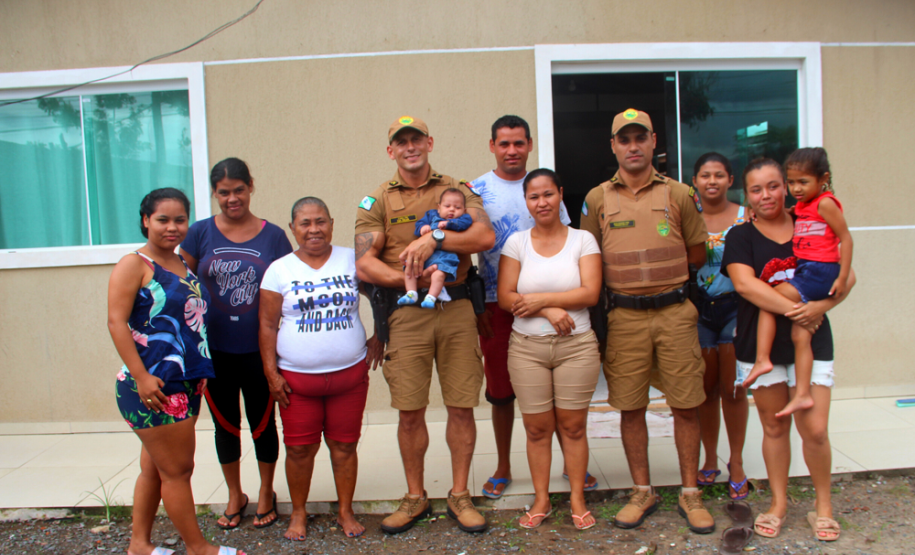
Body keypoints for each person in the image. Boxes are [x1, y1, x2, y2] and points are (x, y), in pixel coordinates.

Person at [354, 115, 495, 534]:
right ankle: (415, 496)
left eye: (417, 139)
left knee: (461, 405)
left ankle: (459, 494)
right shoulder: (377, 199)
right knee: (410, 410)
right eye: (402, 142)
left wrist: (431, 239)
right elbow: (364, 262)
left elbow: (483, 237)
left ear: (429, 143)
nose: (410, 147)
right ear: (391, 150)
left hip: (456, 311)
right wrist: (410, 277)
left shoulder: (456, 190)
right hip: (407, 311)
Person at [580, 108, 714, 534]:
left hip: (675, 313)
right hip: (624, 318)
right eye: (625, 139)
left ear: (654, 141)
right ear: (614, 146)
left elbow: (697, 254)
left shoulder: (679, 193)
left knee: (686, 403)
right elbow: (589, 259)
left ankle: (690, 493)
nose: (633, 146)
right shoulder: (597, 198)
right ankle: (643, 490)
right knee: (630, 406)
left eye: (640, 138)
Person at [721, 158, 854, 542]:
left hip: (810, 339)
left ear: (786, 186)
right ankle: (779, 502)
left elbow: (848, 275)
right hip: (759, 342)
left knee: (814, 429)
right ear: (746, 195)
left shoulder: (811, 221)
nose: (767, 195)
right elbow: (747, 286)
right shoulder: (741, 236)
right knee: (775, 425)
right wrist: (799, 309)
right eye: (757, 189)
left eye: (774, 185)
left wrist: (819, 309)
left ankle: (823, 507)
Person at [108, 188, 246, 555]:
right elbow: (116, 322)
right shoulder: (134, 264)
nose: (172, 227)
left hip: (184, 380)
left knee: (155, 469)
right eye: (163, 219)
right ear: (145, 221)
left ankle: (140, 545)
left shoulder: (181, 263)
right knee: (178, 471)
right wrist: (141, 376)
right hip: (154, 383)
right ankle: (198, 547)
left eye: (180, 219)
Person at [471, 115, 598, 500]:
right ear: (492, 145)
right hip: (498, 302)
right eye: (504, 143)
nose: (512, 150)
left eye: (519, 143)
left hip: (550, 302)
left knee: (561, 394)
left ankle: (570, 465)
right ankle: (504, 466)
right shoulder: (476, 189)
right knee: (502, 392)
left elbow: (573, 266)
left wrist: (543, 303)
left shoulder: (547, 191)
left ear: (529, 145)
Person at [259, 197, 383, 541]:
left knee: (344, 446)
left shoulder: (352, 259)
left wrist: (380, 336)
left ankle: (345, 510)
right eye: (305, 223)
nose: (314, 230)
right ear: (293, 228)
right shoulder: (279, 270)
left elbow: (382, 296)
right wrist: (271, 373)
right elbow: (267, 326)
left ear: (331, 222)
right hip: (297, 381)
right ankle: (298, 512)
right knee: (299, 449)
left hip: (349, 375)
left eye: (320, 222)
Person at [180, 158, 292, 530]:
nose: (232, 198)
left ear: (251, 187)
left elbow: (288, 288)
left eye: (238, 190)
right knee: (225, 425)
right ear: (214, 193)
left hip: (258, 350)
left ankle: (265, 491)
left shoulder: (273, 236)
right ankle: (234, 494)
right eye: (224, 192)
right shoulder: (198, 233)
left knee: (263, 424)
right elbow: (177, 280)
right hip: (214, 353)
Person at [497, 169, 602, 530]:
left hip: (576, 346)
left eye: (547, 194)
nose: (542, 203)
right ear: (526, 203)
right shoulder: (517, 243)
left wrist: (540, 298)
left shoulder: (583, 240)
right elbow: (506, 297)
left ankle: (576, 497)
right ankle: (541, 498)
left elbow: (590, 293)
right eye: (533, 197)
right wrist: (548, 309)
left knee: (573, 427)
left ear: (560, 194)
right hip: (527, 349)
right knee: (537, 428)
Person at [742, 148, 853, 418]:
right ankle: (802, 393)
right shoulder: (803, 209)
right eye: (792, 182)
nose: (795, 188)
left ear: (822, 178)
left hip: (817, 273)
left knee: (769, 299)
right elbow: (797, 214)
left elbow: (846, 244)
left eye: (801, 182)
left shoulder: (825, 203)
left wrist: (834, 285)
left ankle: (762, 359)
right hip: (810, 280)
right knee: (800, 334)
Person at [690, 153, 750, 500]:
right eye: (704, 175)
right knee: (705, 390)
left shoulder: (747, 216)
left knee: (734, 389)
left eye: (719, 175)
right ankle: (710, 458)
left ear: (730, 179)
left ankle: (737, 462)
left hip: (736, 310)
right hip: (698, 312)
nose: (711, 181)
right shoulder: (688, 218)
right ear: (695, 182)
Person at [398, 188, 473, 308]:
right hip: (424, 256)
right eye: (447, 206)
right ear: (439, 207)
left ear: (464, 210)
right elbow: (419, 225)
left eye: (457, 208)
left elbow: (465, 224)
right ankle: (411, 293)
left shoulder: (463, 218)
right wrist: (423, 228)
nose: (452, 209)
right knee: (409, 268)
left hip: (445, 257)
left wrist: (449, 224)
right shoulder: (431, 214)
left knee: (438, 275)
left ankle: (431, 297)